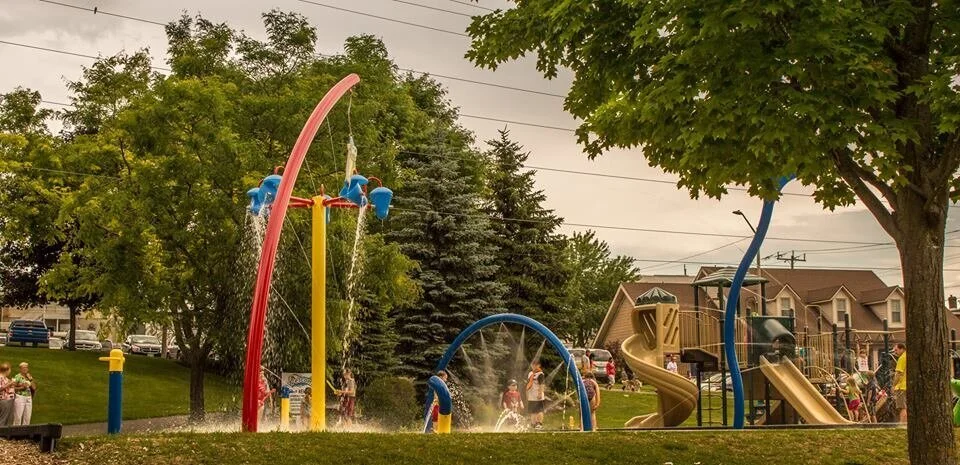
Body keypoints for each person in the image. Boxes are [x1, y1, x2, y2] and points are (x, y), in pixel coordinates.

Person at [11, 362, 35, 426]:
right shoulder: (17, 376)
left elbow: (34, 388)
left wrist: (31, 379)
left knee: (27, 416)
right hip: (20, 397)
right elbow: (12, 388)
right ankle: (15, 432)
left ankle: (25, 432)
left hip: (28, 397)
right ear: (20, 369)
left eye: (26, 367)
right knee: (18, 416)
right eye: (23, 367)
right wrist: (22, 387)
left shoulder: (29, 376)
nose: (25, 369)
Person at [526, 360, 546, 430]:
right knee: (532, 411)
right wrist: (527, 394)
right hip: (531, 396)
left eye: (536, 365)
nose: (534, 366)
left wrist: (540, 393)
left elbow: (542, 384)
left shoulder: (540, 374)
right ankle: (533, 424)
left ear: (539, 365)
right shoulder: (530, 373)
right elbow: (528, 384)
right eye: (533, 364)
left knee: (539, 410)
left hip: (538, 396)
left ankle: (539, 423)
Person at [893, 342, 907, 423]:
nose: (895, 352)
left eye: (896, 350)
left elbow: (898, 373)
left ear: (902, 349)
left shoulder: (902, 358)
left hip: (901, 386)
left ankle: (902, 424)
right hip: (908, 385)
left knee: (902, 407)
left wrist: (893, 385)